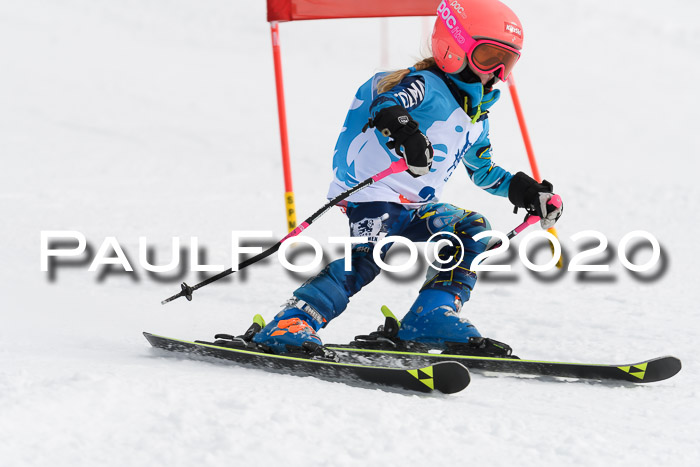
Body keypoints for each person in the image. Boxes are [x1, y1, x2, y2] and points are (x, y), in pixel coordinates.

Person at [251, 0, 562, 355]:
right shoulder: (425, 85)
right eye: (488, 58)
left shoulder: (477, 117)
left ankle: (431, 316)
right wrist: (408, 136)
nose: (497, 73)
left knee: (473, 229)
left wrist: (526, 192)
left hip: (417, 205)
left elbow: (484, 171)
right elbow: (386, 104)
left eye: (507, 64)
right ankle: (292, 321)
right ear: (453, 47)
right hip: (375, 194)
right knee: (369, 257)